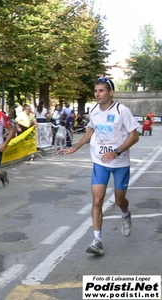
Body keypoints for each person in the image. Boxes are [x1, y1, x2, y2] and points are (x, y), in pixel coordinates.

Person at [58, 77, 139, 256]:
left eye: (101, 91)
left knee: (119, 200)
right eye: (96, 91)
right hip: (100, 161)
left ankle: (125, 214)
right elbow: (90, 131)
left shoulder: (121, 111)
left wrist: (116, 151)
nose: (97, 94)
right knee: (97, 200)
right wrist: (75, 148)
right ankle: (97, 240)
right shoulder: (93, 110)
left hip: (120, 162)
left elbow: (135, 136)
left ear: (111, 92)